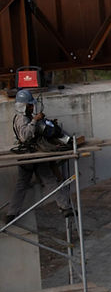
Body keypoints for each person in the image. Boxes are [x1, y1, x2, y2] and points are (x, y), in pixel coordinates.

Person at [5, 90, 73, 223]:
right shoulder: (21, 119)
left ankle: (65, 207)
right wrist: (35, 121)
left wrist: (40, 121)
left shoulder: (29, 117)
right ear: (23, 105)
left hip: (36, 154)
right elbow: (25, 136)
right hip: (28, 156)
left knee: (50, 181)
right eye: (29, 105)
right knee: (23, 185)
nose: (32, 107)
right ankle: (11, 213)